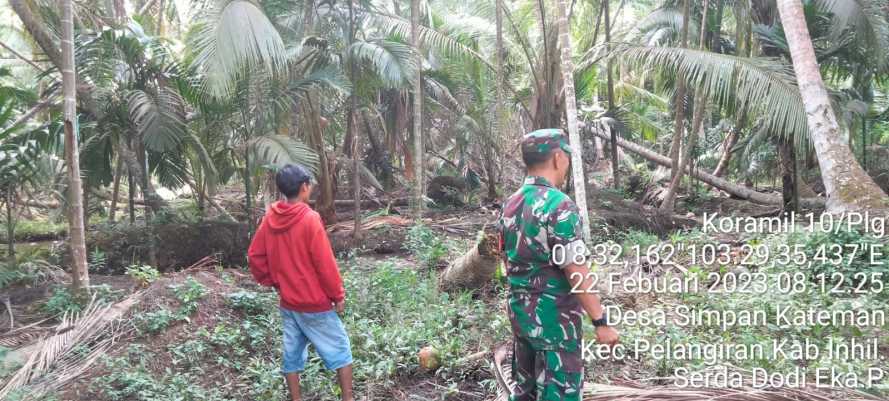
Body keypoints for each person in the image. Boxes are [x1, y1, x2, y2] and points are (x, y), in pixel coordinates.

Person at [498, 129, 619, 401]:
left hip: (521, 318)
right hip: (555, 326)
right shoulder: (559, 206)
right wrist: (601, 322)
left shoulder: (510, 204)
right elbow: (575, 270)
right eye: (565, 154)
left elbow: (507, 260)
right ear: (557, 158)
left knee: (525, 393)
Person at [248, 164, 354, 401]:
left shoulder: (270, 218)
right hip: (314, 303)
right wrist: (337, 295)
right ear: (304, 187)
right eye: (310, 185)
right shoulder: (309, 219)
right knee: (342, 351)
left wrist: (273, 281)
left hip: (289, 303)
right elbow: (324, 263)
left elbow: (255, 256)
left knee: (292, 355)